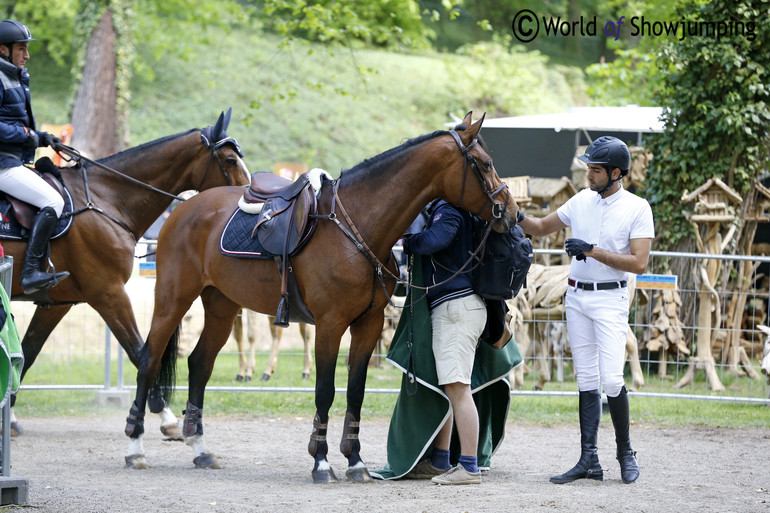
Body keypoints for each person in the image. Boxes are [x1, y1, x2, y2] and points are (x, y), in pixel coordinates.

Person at [517, 136, 654, 485]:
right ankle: (588, 459)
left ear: (616, 172)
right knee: (586, 380)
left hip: (610, 299)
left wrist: (591, 251)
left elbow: (638, 263)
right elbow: (540, 227)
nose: (588, 175)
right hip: (576, 297)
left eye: (595, 170)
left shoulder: (637, 208)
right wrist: (509, 211)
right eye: (588, 168)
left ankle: (625, 452)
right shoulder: (580, 201)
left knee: (611, 379)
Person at [400, 199, 486, 485]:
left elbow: (437, 239)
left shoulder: (448, 210)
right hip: (458, 307)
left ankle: (470, 467)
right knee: (451, 386)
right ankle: (440, 459)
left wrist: (409, 241)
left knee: (458, 387)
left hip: (455, 308)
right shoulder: (463, 209)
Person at [0, 20, 68, 293]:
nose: (27, 55)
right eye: (22, 49)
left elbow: (14, 123)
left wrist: (42, 137)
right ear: (3, 50)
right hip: (3, 164)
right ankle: (29, 273)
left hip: (13, 159)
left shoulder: (14, 75)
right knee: (53, 199)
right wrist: (31, 136)